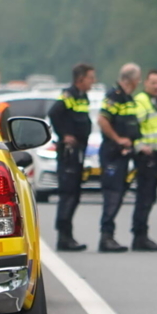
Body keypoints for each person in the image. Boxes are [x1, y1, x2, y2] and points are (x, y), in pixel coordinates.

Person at [48, 63, 96, 251]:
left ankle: (68, 235)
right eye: (91, 78)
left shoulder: (83, 97)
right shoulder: (69, 95)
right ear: (80, 79)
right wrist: (64, 135)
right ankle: (63, 236)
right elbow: (54, 113)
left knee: (75, 194)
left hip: (79, 152)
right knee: (68, 194)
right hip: (69, 153)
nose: (93, 81)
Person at [97, 63, 142, 253]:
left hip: (123, 154)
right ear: (131, 80)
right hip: (112, 153)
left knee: (119, 193)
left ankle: (109, 236)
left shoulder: (127, 98)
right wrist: (118, 139)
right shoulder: (114, 97)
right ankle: (106, 237)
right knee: (113, 195)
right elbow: (102, 119)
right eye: (138, 78)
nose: (139, 82)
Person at [131, 69, 157, 252]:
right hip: (146, 156)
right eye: (153, 83)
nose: (156, 87)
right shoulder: (142, 102)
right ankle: (140, 236)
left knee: (150, 196)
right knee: (145, 197)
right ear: (146, 83)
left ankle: (142, 235)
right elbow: (132, 126)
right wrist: (139, 146)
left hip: (156, 156)